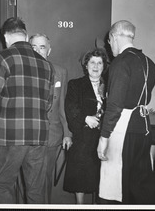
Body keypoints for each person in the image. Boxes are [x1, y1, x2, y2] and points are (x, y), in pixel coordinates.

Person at [0, 17, 54, 204]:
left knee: (0, 186)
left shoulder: (3, 58)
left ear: (6, 37)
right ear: (25, 35)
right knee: (35, 191)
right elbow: (48, 103)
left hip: (10, 136)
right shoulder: (46, 65)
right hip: (39, 137)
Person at [97, 20, 155, 204]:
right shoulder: (150, 63)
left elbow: (115, 105)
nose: (110, 46)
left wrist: (103, 138)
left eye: (109, 41)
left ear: (114, 37)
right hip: (143, 129)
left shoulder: (121, 62)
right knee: (138, 187)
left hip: (123, 130)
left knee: (117, 189)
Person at [29, 33, 73, 203]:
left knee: (45, 179)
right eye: (33, 47)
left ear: (49, 50)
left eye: (42, 47)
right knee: (30, 181)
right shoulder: (22, 71)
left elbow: (63, 105)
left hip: (51, 134)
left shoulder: (60, 72)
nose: (38, 50)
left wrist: (67, 133)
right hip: (28, 135)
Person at [63, 48, 108, 204]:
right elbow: (70, 108)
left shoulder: (110, 86)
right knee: (80, 175)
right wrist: (85, 118)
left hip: (104, 137)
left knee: (101, 176)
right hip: (82, 137)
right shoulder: (76, 85)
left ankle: (97, 204)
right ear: (86, 65)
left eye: (99, 63)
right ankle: (80, 205)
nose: (95, 66)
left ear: (104, 66)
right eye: (92, 62)